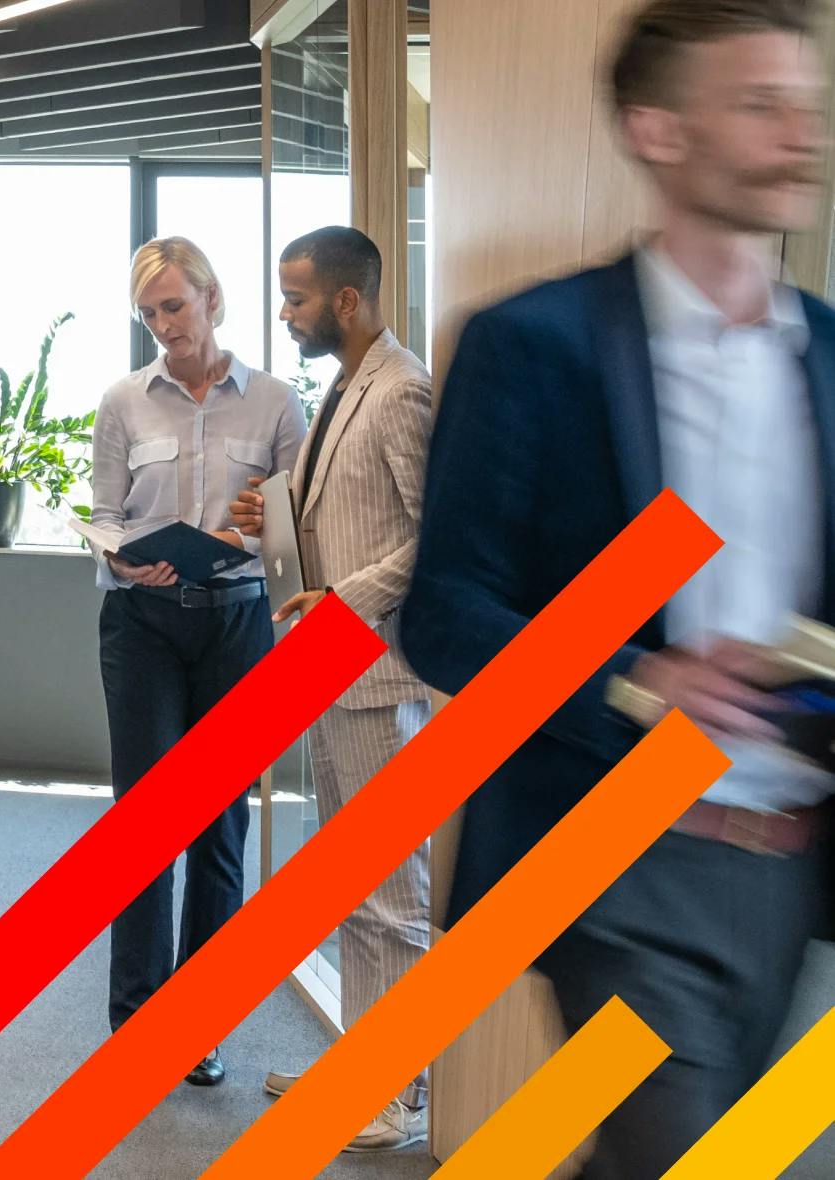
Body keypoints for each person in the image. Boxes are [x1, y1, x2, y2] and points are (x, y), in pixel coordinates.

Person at [398, 3, 830, 1175]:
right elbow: (445, 612)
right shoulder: (537, 344)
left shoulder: (829, 356)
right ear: (659, 130)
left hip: (796, 865)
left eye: (806, 102)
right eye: (761, 104)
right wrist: (639, 684)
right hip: (621, 854)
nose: (804, 132)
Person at [229, 225, 439, 1152]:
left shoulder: (401, 392)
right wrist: (268, 516)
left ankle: (403, 1093)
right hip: (332, 672)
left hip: (380, 677)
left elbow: (438, 537)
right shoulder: (342, 389)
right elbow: (343, 517)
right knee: (355, 882)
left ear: (347, 302)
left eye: (298, 298)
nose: (285, 314)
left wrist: (342, 601)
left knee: (393, 891)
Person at [90, 237, 308, 1086]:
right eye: (148, 314)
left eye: (174, 307)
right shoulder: (123, 402)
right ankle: (137, 1020)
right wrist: (119, 557)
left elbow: (296, 529)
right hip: (141, 625)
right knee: (144, 824)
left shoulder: (279, 406)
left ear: (213, 300)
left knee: (221, 826)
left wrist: (252, 530)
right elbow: (106, 515)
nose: (163, 327)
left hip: (237, 623)